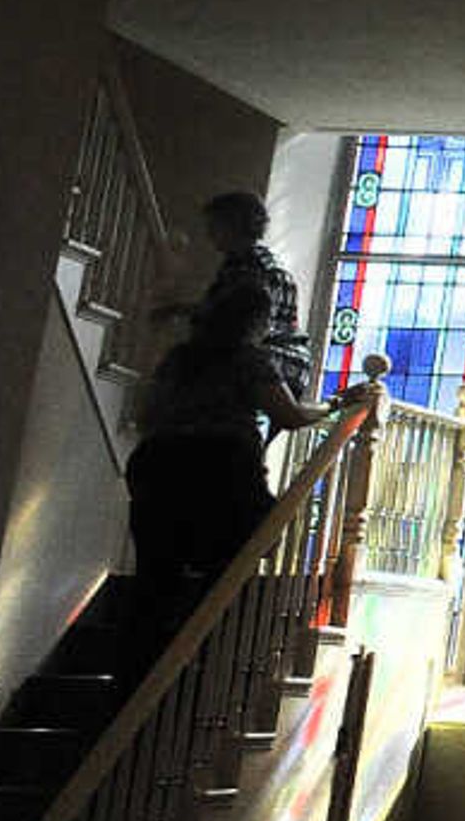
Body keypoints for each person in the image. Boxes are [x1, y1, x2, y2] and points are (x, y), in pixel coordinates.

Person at [125, 284, 344, 626]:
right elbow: (290, 416)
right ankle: (199, 650)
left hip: (156, 464)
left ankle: (141, 667)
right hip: (221, 467)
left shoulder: (181, 357)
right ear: (256, 322)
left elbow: (146, 414)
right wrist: (334, 405)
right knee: (236, 557)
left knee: (157, 575)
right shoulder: (248, 360)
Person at [192, 190, 317, 411]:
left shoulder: (257, 269)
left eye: (215, 225)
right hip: (264, 358)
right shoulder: (236, 265)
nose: (209, 233)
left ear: (235, 225)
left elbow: (251, 328)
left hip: (280, 364)